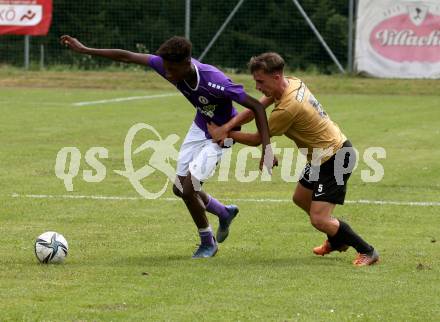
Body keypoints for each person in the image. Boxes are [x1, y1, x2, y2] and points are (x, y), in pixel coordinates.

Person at [60, 35, 276, 258]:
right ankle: (223, 212)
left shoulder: (215, 81)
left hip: (223, 135)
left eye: (172, 69)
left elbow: (257, 108)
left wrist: (267, 150)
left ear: (186, 63)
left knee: (189, 188)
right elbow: (127, 56)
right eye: (166, 69)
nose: (168, 74)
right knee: (179, 189)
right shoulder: (167, 65)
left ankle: (207, 242)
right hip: (200, 125)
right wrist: (86, 50)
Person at [208, 52, 379, 266]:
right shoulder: (292, 82)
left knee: (319, 218)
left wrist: (225, 134)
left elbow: (256, 138)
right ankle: (337, 239)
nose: (258, 87)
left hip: (335, 158)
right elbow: (256, 109)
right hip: (321, 156)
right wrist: (225, 128)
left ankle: (368, 251)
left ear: (276, 76)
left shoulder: (287, 108)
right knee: (300, 198)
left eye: (260, 81)